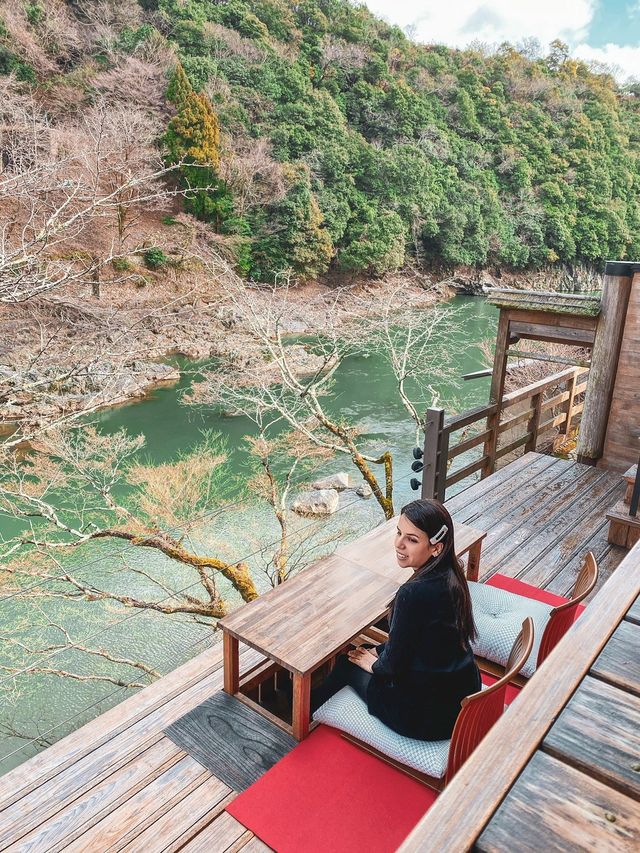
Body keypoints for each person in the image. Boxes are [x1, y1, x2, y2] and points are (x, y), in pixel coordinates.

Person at [311, 498, 481, 740]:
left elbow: (392, 667)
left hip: (425, 718)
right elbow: (418, 640)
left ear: (436, 547)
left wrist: (373, 663)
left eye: (412, 540)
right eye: (399, 533)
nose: (399, 544)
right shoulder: (453, 575)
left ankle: (301, 718)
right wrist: (378, 653)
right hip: (459, 696)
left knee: (347, 664)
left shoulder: (413, 593)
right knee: (367, 651)